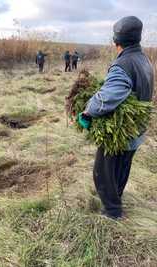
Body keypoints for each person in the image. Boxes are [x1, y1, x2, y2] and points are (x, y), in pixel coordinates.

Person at [80, 16, 154, 219]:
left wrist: (87, 111)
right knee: (122, 168)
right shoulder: (144, 60)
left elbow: (107, 98)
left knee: (103, 173)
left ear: (116, 42)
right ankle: (117, 200)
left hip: (119, 134)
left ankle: (111, 213)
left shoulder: (124, 65)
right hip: (136, 130)